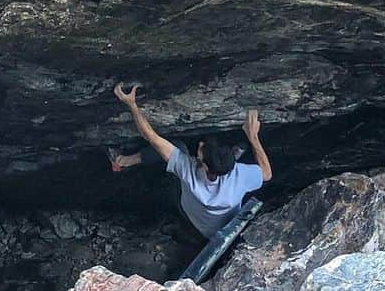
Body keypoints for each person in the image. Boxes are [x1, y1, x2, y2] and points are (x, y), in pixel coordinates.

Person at [108, 83, 271, 240]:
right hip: (218, 230)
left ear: (204, 164)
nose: (200, 145)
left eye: (202, 149)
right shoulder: (238, 176)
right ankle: (236, 151)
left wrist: (131, 105)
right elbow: (266, 174)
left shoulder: (187, 169)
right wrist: (253, 137)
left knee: (178, 147)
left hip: (191, 217)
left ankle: (122, 161)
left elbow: (152, 137)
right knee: (245, 146)